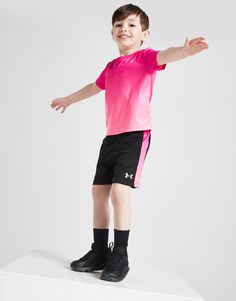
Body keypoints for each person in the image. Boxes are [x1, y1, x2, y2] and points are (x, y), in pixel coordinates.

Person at [50, 3, 208, 282]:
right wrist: (68, 99)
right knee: (99, 192)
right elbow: (94, 87)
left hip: (135, 136)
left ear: (144, 34)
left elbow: (165, 54)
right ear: (112, 32)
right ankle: (99, 251)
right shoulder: (111, 66)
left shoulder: (146, 57)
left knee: (120, 193)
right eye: (119, 25)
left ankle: (120, 256)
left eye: (132, 25)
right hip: (111, 138)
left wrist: (184, 51)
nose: (125, 29)